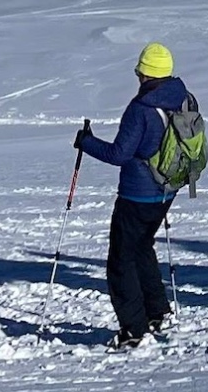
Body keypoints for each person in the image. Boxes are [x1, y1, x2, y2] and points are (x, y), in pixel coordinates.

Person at [76, 42, 195, 350]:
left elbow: (119, 154)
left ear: (145, 73)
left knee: (121, 260)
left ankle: (133, 330)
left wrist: (86, 142)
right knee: (142, 248)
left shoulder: (141, 108)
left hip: (137, 193)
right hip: (167, 189)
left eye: (138, 71)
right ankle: (157, 312)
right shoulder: (182, 97)